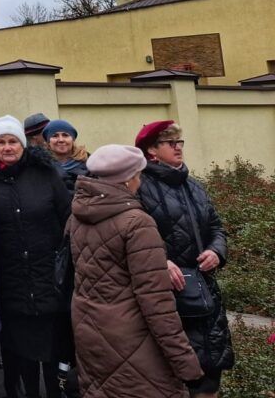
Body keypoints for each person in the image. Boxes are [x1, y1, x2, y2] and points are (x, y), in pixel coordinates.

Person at [68, 144, 203, 398]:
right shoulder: (137, 223)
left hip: (90, 332)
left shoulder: (78, 215)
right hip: (135, 342)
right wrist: (186, 363)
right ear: (129, 178)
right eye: (139, 175)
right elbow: (156, 301)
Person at [0, 115, 71, 398]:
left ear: (23, 144)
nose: (7, 147)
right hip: (8, 278)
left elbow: (67, 216)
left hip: (48, 275)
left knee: (52, 350)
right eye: (1, 142)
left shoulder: (45, 172)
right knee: (19, 354)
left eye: (13, 141)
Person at [135, 121, 234, 398]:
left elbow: (216, 227)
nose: (179, 147)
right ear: (152, 151)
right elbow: (131, 237)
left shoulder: (195, 187)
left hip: (203, 290)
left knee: (210, 370)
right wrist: (160, 262)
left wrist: (216, 251)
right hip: (166, 294)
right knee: (173, 372)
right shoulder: (139, 187)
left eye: (180, 142)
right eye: (171, 143)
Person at [43, 119, 88, 192]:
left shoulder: (90, 165)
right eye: (55, 136)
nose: (61, 140)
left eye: (65, 135)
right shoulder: (41, 167)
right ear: (48, 142)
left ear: (73, 140)